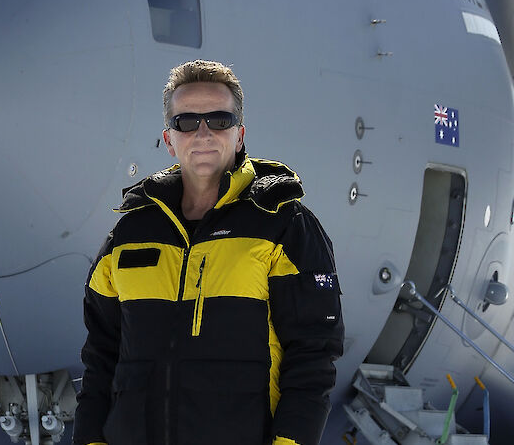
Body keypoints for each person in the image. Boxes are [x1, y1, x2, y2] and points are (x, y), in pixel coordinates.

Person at [72, 60, 344, 445]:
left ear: (239, 134)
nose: (203, 133)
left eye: (219, 120)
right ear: (169, 139)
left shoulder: (282, 225)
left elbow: (313, 357)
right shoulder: (130, 234)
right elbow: (100, 356)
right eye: (186, 122)